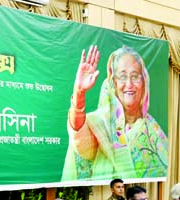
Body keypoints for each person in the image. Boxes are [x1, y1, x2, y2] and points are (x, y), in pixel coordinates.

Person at [61, 45, 168, 181]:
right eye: (122, 77)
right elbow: (80, 139)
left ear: (144, 81)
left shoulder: (153, 131)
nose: (129, 84)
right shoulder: (100, 123)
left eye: (135, 76)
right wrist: (79, 93)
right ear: (114, 82)